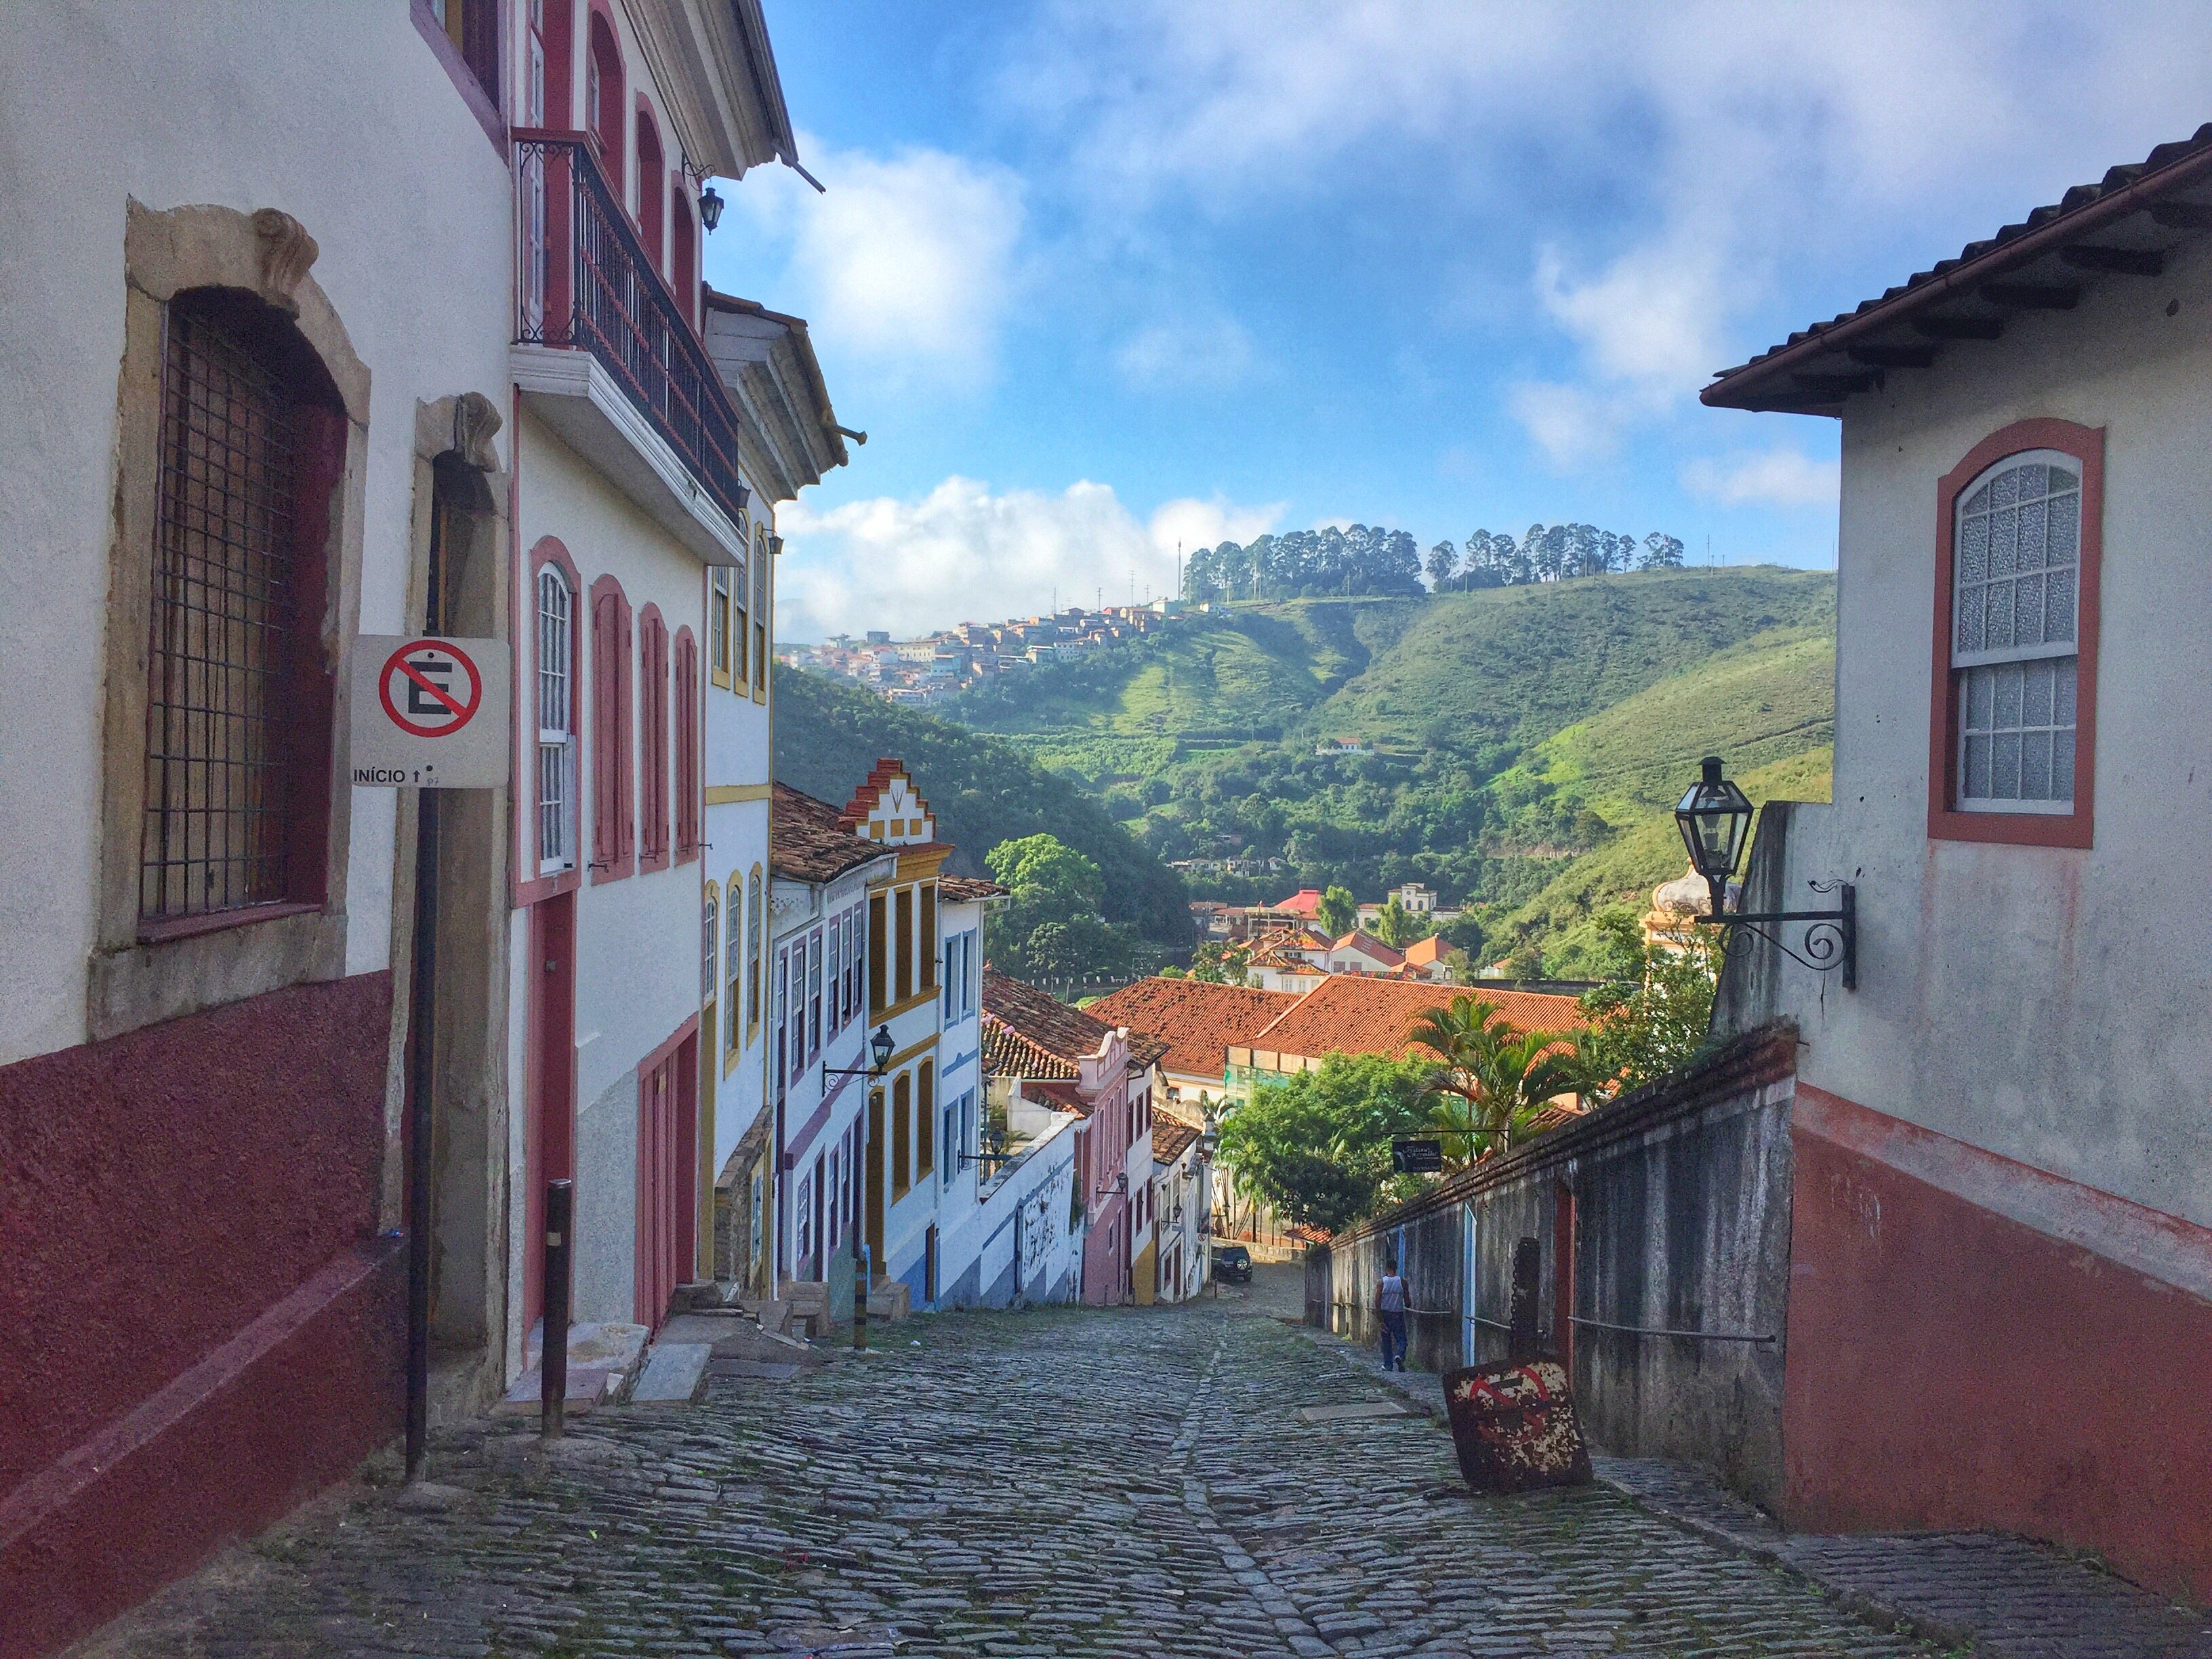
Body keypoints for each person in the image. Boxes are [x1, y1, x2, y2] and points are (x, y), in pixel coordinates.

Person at [1376, 1262, 1409, 1371]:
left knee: (1386, 1340)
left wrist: (1380, 1318)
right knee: (1402, 1339)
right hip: (1398, 1314)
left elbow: (1377, 1301)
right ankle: (1399, 1354)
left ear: (1386, 1268)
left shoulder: (1382, 1283)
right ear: (1396, 1268)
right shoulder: (1402, 1282)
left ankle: (1388, 1365)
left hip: (1385, 1313)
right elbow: (1408, 1301)